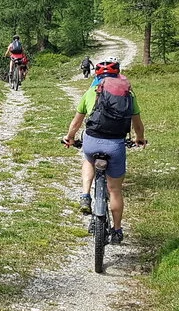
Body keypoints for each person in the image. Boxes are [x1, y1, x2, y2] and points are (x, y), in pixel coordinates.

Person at [62, 60, 146, 245]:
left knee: (88, 159)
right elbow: (138, 125)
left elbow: (76, 124)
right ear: (118, 75)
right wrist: (139, 138)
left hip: (92, 141)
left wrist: (69, 138)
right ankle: (116, 231)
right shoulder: (128, 95)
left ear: (97, 76)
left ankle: (85, 195)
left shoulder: (91, 91)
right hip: (116, 145)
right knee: (115, 190)